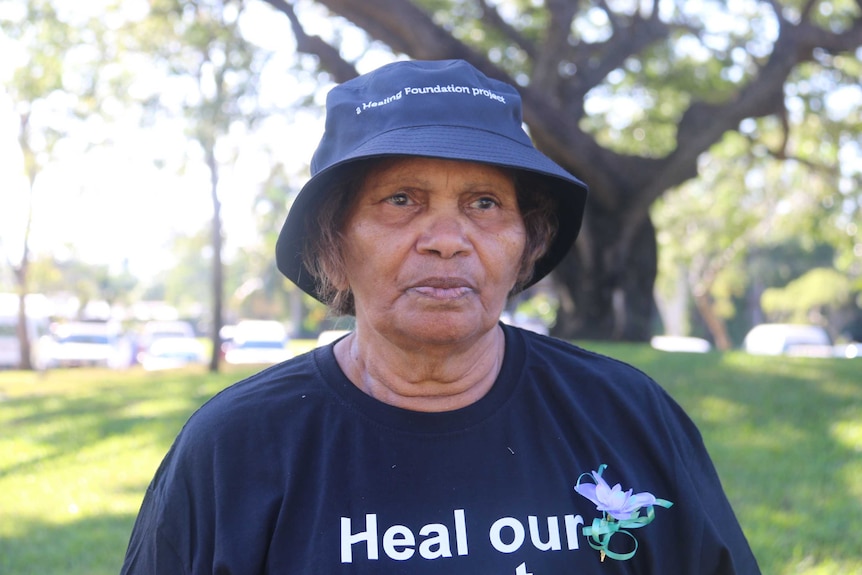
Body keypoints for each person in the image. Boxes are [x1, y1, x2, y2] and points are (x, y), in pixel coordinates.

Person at [120, 59, 760, 574]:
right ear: (334, 240)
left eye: (484, 203)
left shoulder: (628, 418)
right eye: (402, 200)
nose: (447, 239)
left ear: (525, 241)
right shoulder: (236, 448)